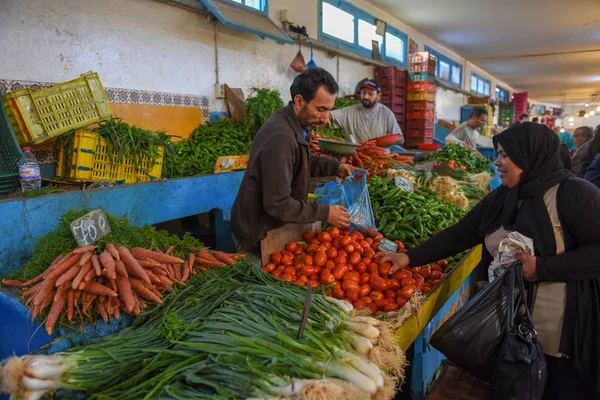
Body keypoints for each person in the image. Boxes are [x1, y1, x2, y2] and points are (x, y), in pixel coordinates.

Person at [382, 122, 600, 399]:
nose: (497, 162)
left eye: (505, 156)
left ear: (529, 155)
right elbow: (463, 232)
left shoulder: (575, 194)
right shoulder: (505, 197)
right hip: (512, 331)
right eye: (498, 154)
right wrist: (409, 257)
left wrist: (542, 268)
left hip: (562, 334)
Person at [231, 68, 353, 256]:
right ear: (299, 101)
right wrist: (324, 213)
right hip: (257, 233)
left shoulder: (297, 123)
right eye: (321, 110)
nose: (325, 119)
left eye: (329, 110)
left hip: (268, 225)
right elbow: (278, 204)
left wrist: (336, 167)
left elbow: (304, 160)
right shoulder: (281, 137)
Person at [330, 79, 404, 145]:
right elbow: (329, 115)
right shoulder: (349, 111)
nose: (366, 97)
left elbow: (400, 139)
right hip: (357, 156)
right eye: (363, 93)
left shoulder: (386, 113)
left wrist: (375, 142)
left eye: (370, 94)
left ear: (378, 96)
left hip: (381, 157)